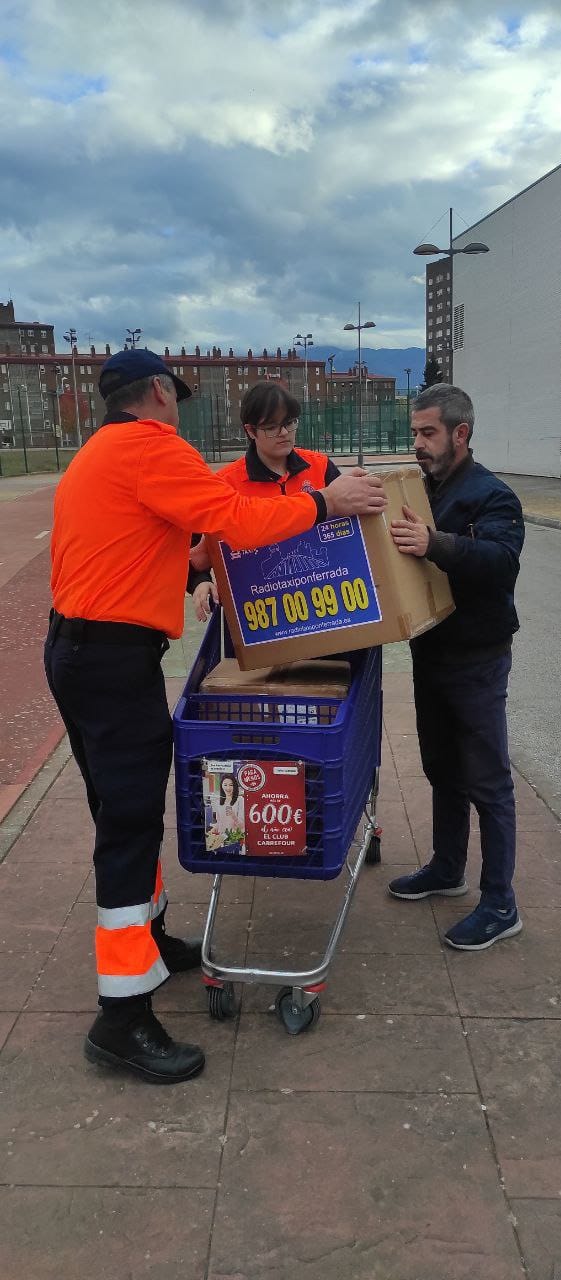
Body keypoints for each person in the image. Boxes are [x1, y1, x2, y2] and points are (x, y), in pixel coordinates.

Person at [44, 347, 387, 1084]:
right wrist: (327, 504)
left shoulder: (100, 452)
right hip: (109, 658)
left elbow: (168, 545)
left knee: (121, 808)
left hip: (81, 651)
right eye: (178, 396)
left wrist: (199, 566)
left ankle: (154, 941)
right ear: (160, 393)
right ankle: (122, 1017)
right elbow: (231, 516)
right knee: (131, 821)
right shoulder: (149, 445)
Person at [387, 383, 525, 950]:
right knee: (442, 767)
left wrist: (434, 542)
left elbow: (499, 561)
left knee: (487, 780)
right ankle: (448, 868)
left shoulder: (494, 496)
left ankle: (500, 902)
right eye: (414, 432)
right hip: (432, 653)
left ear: (460, 434)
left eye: (427, 433)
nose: (417, 443)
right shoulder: (422, 488)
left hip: (477, 660)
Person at [188, 381, 341, 620]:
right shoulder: (224, 484)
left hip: (328, 606)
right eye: (271, 427)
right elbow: (193, 552)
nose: (283, 433)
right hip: (257, 615)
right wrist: (201, 582)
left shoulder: (320, 467)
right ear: (250, 431)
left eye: (289, 423)